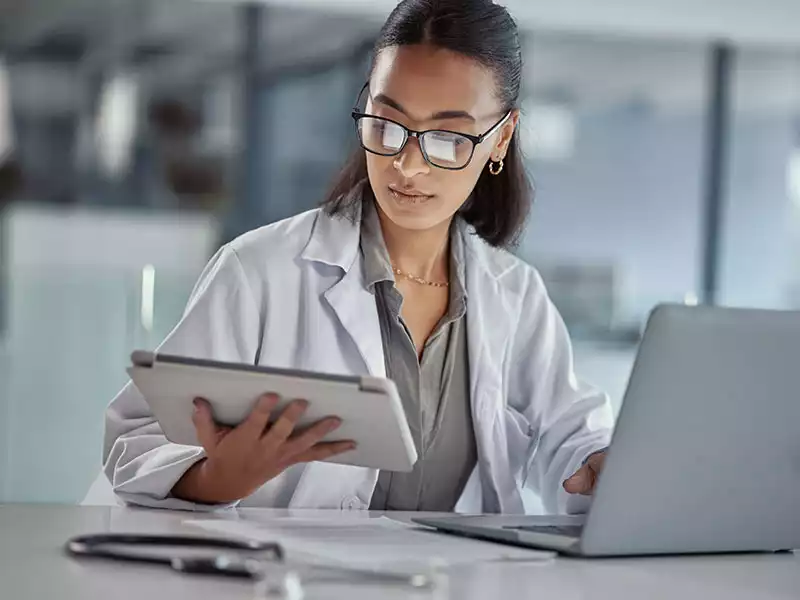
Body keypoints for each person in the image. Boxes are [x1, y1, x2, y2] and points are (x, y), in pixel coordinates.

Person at [103, 0, 611, 514]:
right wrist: (216, 478)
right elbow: (139, 440)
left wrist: (600, 463)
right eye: (387, 124)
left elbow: (570, 438)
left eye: (448, 137)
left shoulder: (515, 296)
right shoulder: (259, 271)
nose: (408, 165)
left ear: (500, 137)